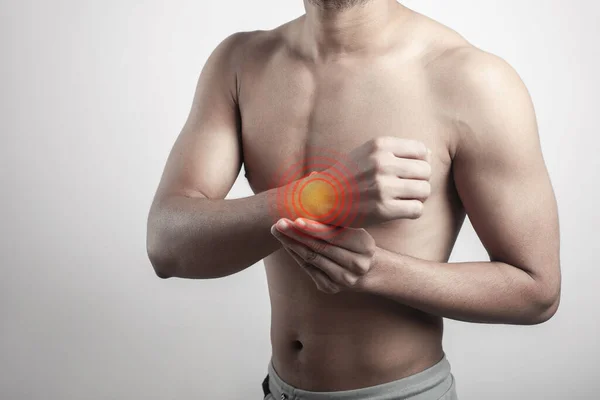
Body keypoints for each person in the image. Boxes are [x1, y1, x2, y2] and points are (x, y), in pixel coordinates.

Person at [146, 1, 561, 398]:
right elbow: (168, 247)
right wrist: (322, 196)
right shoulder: (240, 62)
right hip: (278, 388)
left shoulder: (471, 79)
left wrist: (378, 271)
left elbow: (536, 291)